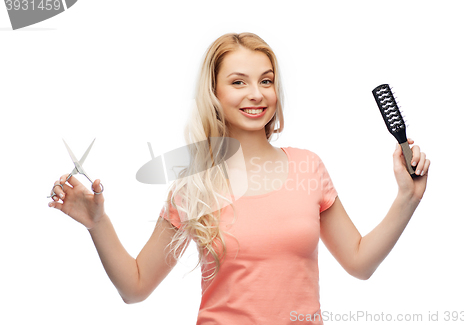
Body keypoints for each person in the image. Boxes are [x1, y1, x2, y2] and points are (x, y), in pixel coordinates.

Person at [47, 32, 431, 324]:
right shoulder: (193, 185)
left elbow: (359, 263)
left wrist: (406, 198)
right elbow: (135, 287)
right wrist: (97, 223)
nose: (256, 94)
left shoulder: (308, 167)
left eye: (266, 81)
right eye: (238, 82)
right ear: (213, 92)